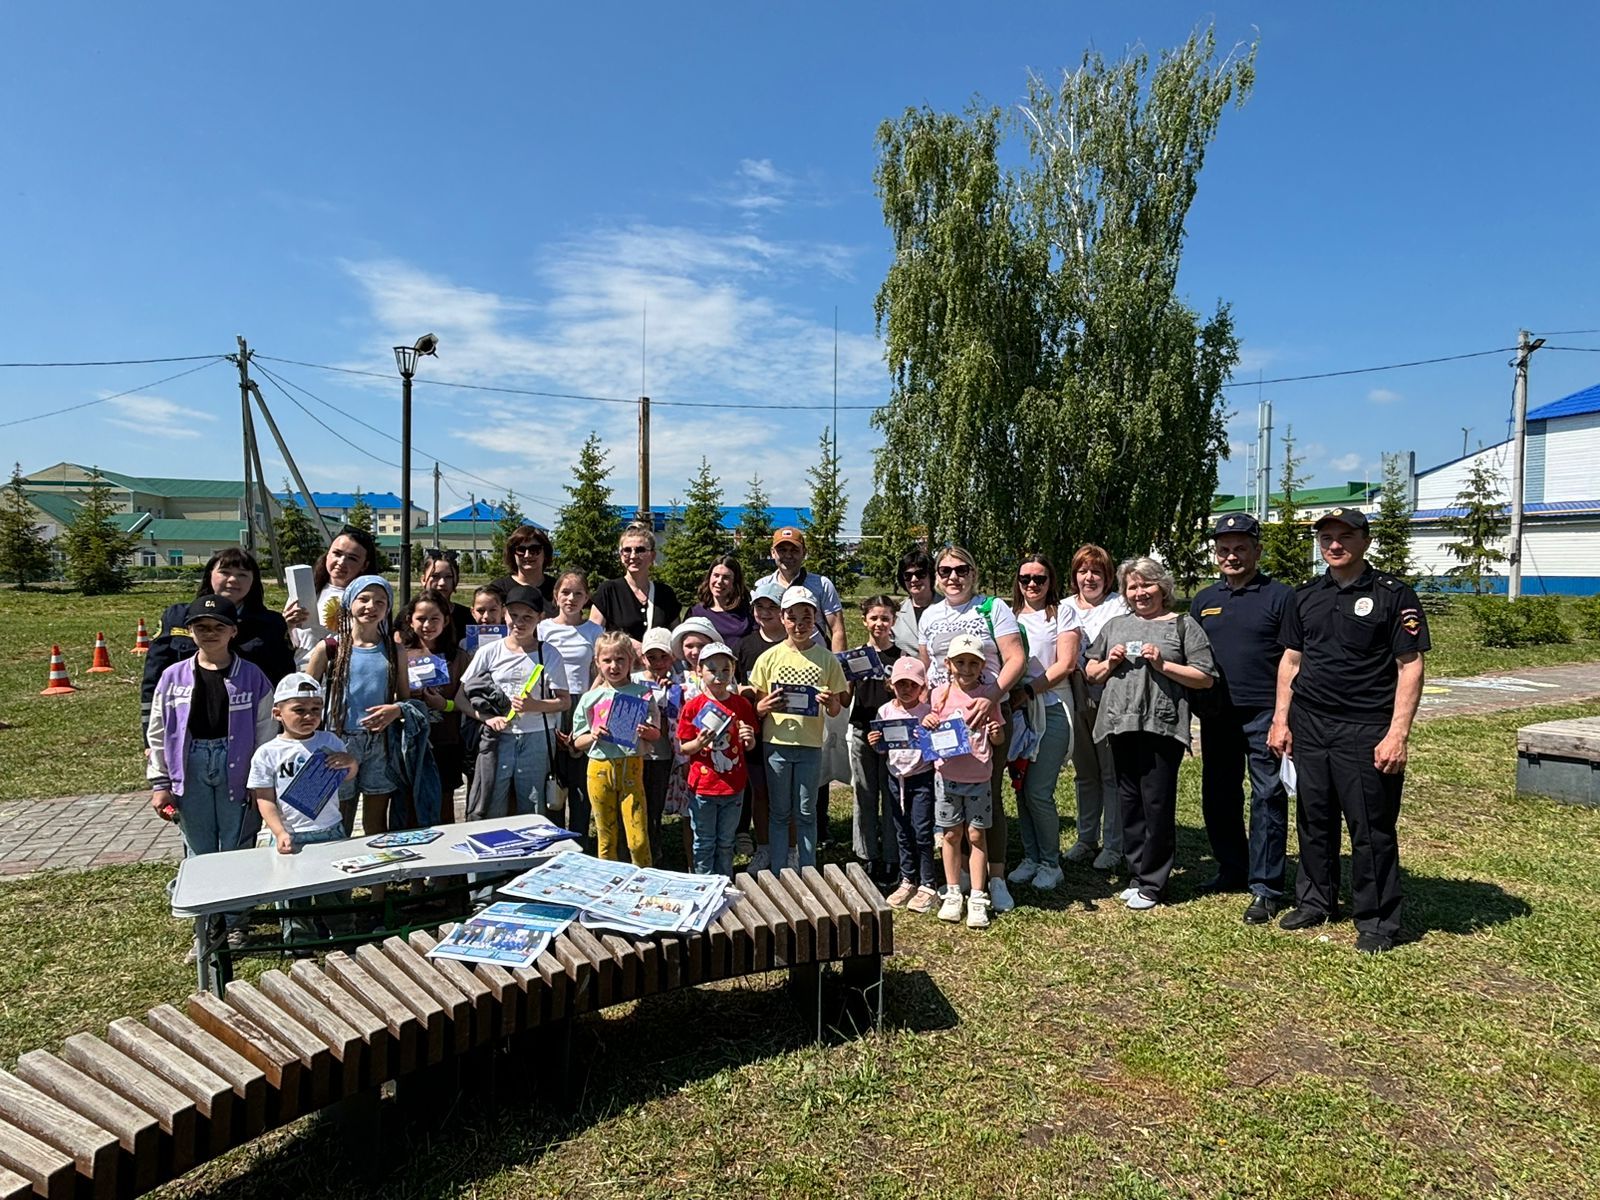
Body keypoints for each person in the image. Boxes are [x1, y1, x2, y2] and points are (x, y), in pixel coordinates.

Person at [1268, 508, 1429, 954]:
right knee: (1313, 818)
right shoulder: (1305, 596)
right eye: (1326, 538)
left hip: (1366, 727)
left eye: (1344, 536)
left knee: (1370, 827)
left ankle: (1377, 920)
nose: (1334, 545)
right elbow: (1291, 661)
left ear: (1365, 540)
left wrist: (1397, 734)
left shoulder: (1393, 595)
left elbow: (1410, 665)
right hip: (1311, 724)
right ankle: (1316, 899)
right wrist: (1282, 719)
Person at [1085, 556, 1216, 911]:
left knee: (1156, 803)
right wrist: (1109, 663)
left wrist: (1163, 665)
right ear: (1125, 592)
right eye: (1133, 586)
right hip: (1121, 723)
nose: (1140, 592)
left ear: (1163, 588)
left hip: (1162, 725)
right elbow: (1090, 672)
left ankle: (1155, 883)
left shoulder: (1183, 626)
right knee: (1129, 801)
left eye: (1147, 585)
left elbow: (1204, 677)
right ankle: (1138, 873)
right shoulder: (1115, 625)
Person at [147, 596, 276, 948]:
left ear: (233, 632)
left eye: (219, 627)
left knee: (237, 844)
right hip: (190, 766)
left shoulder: (252, 676)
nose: (210, 634)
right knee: (199, 849)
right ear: (190, 632)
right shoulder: (173, 677)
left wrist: (260, 779)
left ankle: (237, 923)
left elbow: (266, 729)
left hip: (238, 767)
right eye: (201, 627)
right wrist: (161, 783)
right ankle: (206, 927)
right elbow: (158, 732)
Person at [1189, 514, 1297, 924]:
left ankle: (1265, 887)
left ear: (1256, 551)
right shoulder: (1204, 599)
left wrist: (1283, 718)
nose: (1231, 556)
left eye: (1240, 548)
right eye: (1223, 549)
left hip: (1265, 713)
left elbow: (1294, 658)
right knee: (1219, 794)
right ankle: (1232, 868)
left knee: (1267, 796)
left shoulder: (1280, 597)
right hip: (1217, 715)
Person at [917, 544, 1026, 911]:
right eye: (945, 571)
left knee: (986, 798)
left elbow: (1016, 659)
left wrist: (991, 697)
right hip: (945, 720)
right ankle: (961, 875)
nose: (953, 577)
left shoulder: (993, 608)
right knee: (949, 795)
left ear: (973, 573)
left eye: (961, 570)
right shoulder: (929, 615)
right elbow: (927, 668)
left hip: (986, 715)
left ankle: (995, 879)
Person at [140, 547, 295, 744]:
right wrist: (150, 739)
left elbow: (282, 681)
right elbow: (155, 678)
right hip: (187, 726)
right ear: (209, 575)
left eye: (242, 574)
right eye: (225, 572)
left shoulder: (271, 624)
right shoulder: (178, 617)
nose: (233, 580)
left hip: (248, 727)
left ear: (254, 581)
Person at [248, 673, 359, 941]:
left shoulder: (329, 742)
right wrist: (279, 832)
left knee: (336, 892)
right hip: (292, 834)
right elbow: (264, 798)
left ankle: (345, 938)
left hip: (329, 831)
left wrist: (350, 762)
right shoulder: (268, 753)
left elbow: (348, 775)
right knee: (293, 896)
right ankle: (300, 945)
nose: (308, 716)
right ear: (278, 713)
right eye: (298, 710)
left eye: (315, 710)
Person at [748, 585, 847, 869]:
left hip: (810, 745)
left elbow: (836, 707)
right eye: (792, 618)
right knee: (779, 812)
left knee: (806, 811)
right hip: (776, 744)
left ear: (815, 618)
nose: (799, 625)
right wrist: (764, 707)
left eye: (806, 618)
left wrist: (829, 702)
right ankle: (780, 870)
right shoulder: (768, 658)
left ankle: (808, 868)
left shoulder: (827, 658)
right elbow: (757, 706)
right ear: (782, 618)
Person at [307, 575, 407, 838]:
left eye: (380, 601)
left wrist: (395, 710)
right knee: (337, 821)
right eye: (363, 599)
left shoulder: (394, 650)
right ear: (349, 603)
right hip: (337, 742)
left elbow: (406, 699)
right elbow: (304, 698)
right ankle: (339, 877)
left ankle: (378, 878)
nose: (370, 606)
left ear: (388, 608)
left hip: (380, 743)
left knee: (375, 824)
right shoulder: (329, 648)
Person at [459, 584, 571, 818]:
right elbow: (461, 697)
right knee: (492, 803)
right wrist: (488, 719)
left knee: (533, 806)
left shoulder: (548, 653)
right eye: (513, 615)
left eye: (527, 617)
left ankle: (534, 853)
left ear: (540, 618)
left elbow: (564, 701)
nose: (518, 622)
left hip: (537, 737)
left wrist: (535, 706)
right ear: (504, 614)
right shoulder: (489, 651)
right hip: (498, 740)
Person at [1006, 554, 1082, 893]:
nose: (1032, 585)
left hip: (1050, 707)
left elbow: (1065, 663)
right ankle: (1031, 856)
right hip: (1017, 714)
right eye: (1026, 579)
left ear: (1051, 581)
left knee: (1038, 790)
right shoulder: (1007, 616)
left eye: (1040, 578)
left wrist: (1028, 690)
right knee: (1021, 789)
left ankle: (1052, 863)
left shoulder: (1062, 613)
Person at [925, 635, 1007, 928]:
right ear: (948, 664)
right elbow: (927, 728)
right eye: (960, 662)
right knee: (950, 835)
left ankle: (977, 896)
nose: (966, 668)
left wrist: (996, 731)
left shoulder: (987, 697)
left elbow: (998, 739)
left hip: (978, 778)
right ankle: (952, 893)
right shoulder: (938, 695)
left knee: (975, 836)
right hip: (947, 777)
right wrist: (928, 722)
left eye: (973, 662)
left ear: (982, 665)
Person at [1064, 544, 1131, 870]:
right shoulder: (1062, 607)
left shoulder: (1119, 606)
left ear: (1108, 577)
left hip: (1111, 695)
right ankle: (1086, 838)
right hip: (1073, 693)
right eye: (1082, 571)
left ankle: (1114, 845)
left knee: (1111, 772)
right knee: (1085, 771)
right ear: (1074, 575)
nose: (1089, 578)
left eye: (1097, 572)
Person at [570, 630, 661, 865]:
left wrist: (645, 731)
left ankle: (644, 879)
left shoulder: (643, 694)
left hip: (631, 769)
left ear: (631, 660)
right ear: (597, 663)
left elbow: (656, 734)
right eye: (607, 660)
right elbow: (577, 742)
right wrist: (592, 736)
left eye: (620, 659)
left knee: (638, 838)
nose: (614, 666)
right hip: (599, 769)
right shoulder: (590, 699)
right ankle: (608, 886)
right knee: (606, 836)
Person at [677, 641, 759, 877]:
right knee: (703, 841)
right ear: (699, 671)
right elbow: (684, 747)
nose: (719, 676)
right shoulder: (693, 707)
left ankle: (724, 881)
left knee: (726, 841)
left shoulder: (741, 705)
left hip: (733, 785)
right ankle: (703, 884)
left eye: (725, 670)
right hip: (703, 787)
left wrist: (749, 738)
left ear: (733, 670)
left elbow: (749, 745)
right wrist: (699, 743)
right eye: (712, 670)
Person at [870, 657, 939, 914]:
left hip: (921, 777)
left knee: (921, 830)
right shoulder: (885, 711)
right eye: (901, 683)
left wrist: (931, 727)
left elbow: (935, 748)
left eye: (913, 684)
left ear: (922, 687)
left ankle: (928, 882)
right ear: (891, 684)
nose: (907, 689)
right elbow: (881, 748)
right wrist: (875, 741)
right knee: (901, 830)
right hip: (894, 777)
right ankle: (907, 878)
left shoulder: (927, 712)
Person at [541, 570, 603, 847]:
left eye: (578, 593)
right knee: (554, 776)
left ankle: (580, 840)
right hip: (551, 705)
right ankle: (555, 842)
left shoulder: (593, 631)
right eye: (565, 592)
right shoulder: (542, 629)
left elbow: (599, 670)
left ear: (586, 598)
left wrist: (587, 706)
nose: (571, 598)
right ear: (556, 596)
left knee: (580, 778)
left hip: (583, 704)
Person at [396, 588, 469, 822]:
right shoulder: (400, 654)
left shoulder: (458, 657)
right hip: (409, 740)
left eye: (434, 618)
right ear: (410, 620)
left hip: (446, 739)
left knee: (444, 801)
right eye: (421, 618)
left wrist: (443, 703)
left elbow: (468, 703)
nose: (428, 624)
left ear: (446, 620)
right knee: (408, 801)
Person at [846, 595, 903, 884]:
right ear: (864, 620)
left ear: (894, 619)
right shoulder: (856, 656)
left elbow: (912, 696)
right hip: (861, 729)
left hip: (892, 733)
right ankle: (866, 855)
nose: (879, 623)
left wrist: (894, 687)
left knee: (891, 796)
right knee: (865, 794)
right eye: (874, 618)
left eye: (885, 617)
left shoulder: (902, 657)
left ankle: (893, 858)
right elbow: (845, 697)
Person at [734, 577, 787, 872]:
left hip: (786, 731)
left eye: (772, 607)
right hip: (755, 730)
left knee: (786, 795)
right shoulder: (746, 645)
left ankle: (788, 850)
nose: (765, 612)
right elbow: (740, 689)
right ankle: (764, 847)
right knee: (760, 793)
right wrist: (756, 706)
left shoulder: (793, 644)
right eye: (759, 607)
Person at [285, 526, 380, 670]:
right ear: (327, 554)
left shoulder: (369, 599)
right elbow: (290, 639)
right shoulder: (307, 589)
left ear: (364, 565)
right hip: (302, 672)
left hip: (343, 675)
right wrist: (287, 623)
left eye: (352, 558)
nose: (341, 562)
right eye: (337, 553)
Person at [754, 527, 847, 652]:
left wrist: (838, 665)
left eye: (794, 550)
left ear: (804, 552)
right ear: (773, 552)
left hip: (816, 660)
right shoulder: (762, 586)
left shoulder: (822, 585)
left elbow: (837, 630)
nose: (788, 555)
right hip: (776, 659)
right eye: (782, 550)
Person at [634, 627, 678, 862]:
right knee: (635, 803)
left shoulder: (676, 684)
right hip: (635, 753)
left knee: (654, 804)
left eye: (664, 656)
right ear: (643, 658)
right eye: (652, 657)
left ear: (673, 657)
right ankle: (632, 846)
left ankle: (653, 847)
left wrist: (671, 694)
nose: (658, 662)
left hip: (661, 754)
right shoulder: (633, 680)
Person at [592, 523, 681, 641]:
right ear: (621, 556)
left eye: (640, 550)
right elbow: (593, 636)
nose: (633, 556)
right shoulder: (608, 591)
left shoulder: (665, 593)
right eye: (627, 550)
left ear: (652, 555)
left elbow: (677, 638)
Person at [488, 525, 558, 618]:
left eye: (534, 549)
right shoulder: (497, 590)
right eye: (521, 550)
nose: (527, 555)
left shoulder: (558, 589)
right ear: (513, 554)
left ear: (545, 553)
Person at [688, 555, 757, 645]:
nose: (719, 581)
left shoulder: (748, 612)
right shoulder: (695, 613)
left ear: (735, 581)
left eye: (726, 577)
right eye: (716, 575)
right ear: (709, 577)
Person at [420, 549, 474, 644]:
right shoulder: (409, 614)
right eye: (435, 576)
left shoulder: (468, 618)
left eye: (449, 577)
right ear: (423, 579)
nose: (442, 583)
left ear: (457, 580)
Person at [891, 547, 936, 657]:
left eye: (920, 574)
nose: (914, 579)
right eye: (908, 575)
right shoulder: (895, 613)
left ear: (931, 575)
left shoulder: (950, 607)